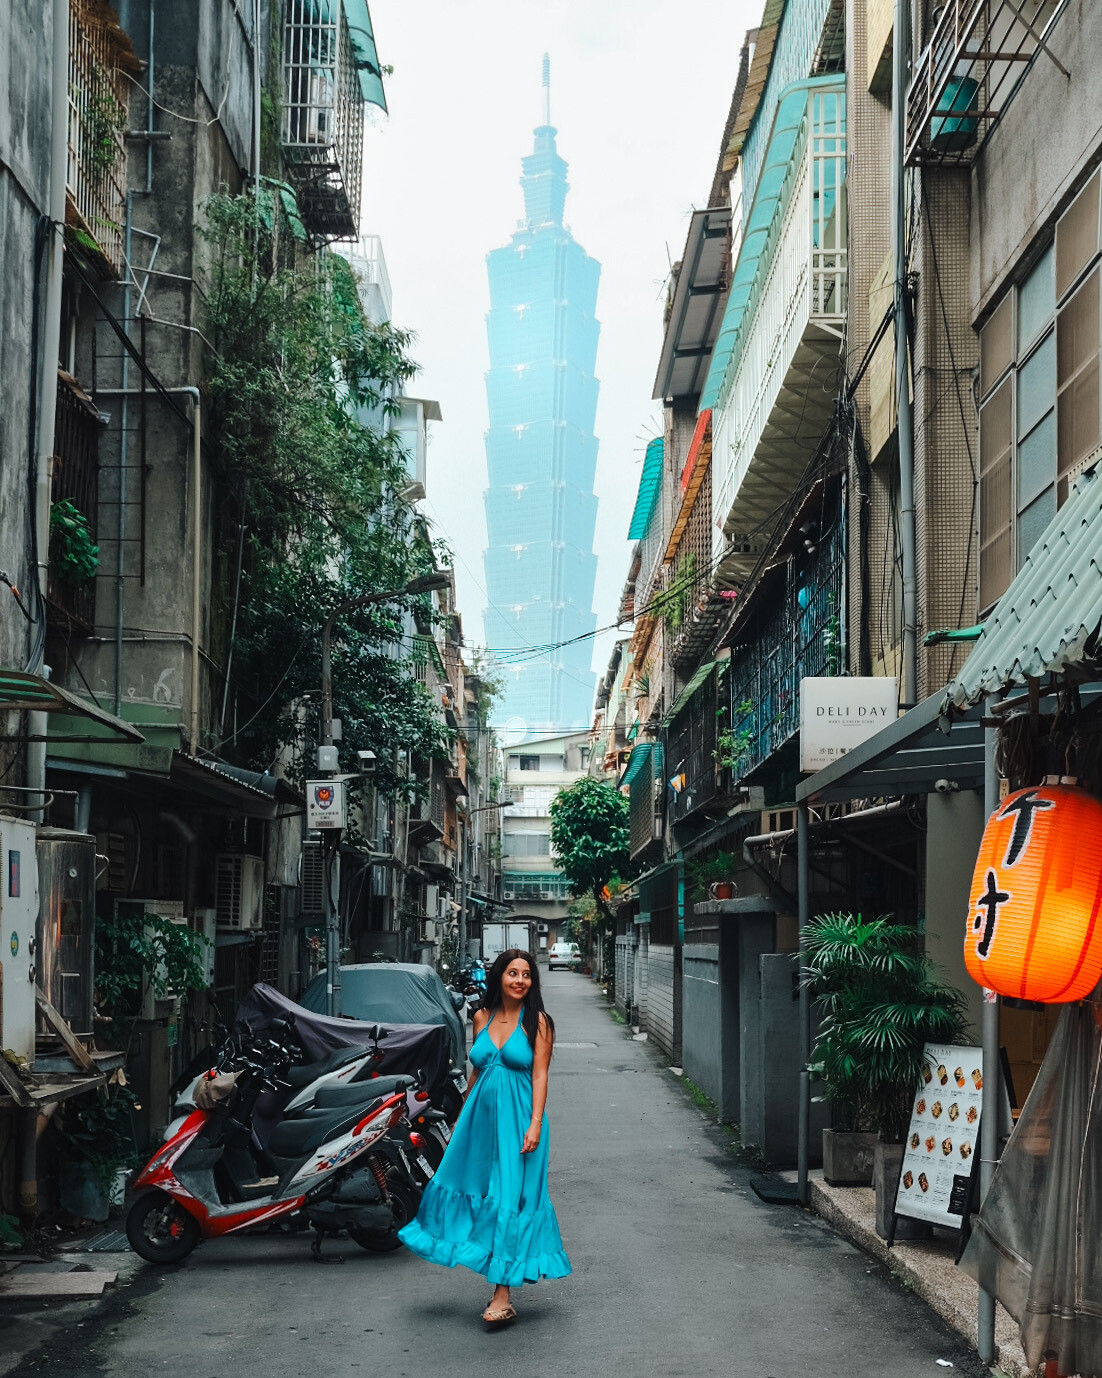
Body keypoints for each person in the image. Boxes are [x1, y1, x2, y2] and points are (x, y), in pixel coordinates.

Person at [397, 948, 571, 1325]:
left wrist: (536, 1123)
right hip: (479, 1122)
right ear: (499, 977)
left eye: (526, 974)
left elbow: (540, 1075)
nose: (520, 980)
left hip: (519, 1123)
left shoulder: (539, 1022)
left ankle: (502, 1293)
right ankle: (481, 1262)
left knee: (508, 1197)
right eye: (512, 973)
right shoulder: (481, 1017)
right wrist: (460, 1117)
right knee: (466, 1187)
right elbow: (477, 1072)